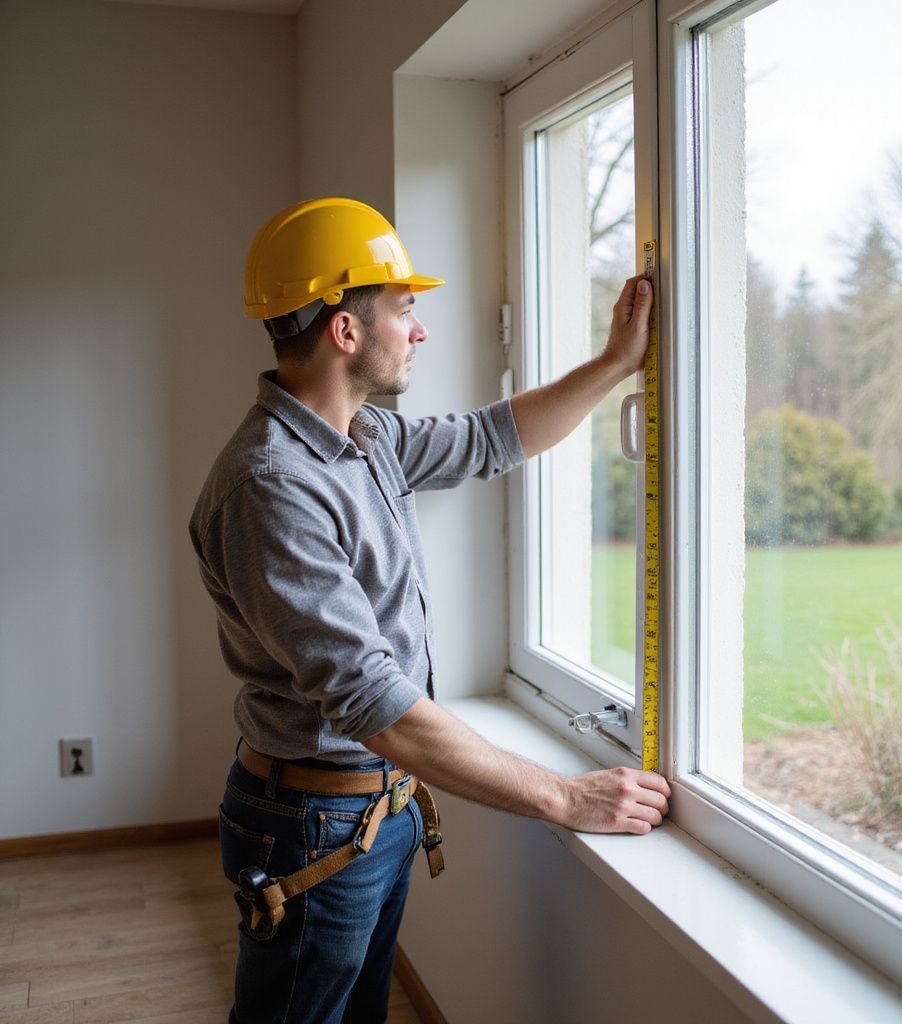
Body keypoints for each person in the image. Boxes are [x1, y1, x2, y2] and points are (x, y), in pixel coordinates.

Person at [189, 197, 670, 1024]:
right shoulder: (272, 486)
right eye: (404, 309)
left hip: (372, 811)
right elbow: (373, 703)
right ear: (345, 330)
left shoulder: (365, 436)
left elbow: (490, 438)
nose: (418, 331)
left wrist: (612, 364)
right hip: (310, 821)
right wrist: (562, 797)